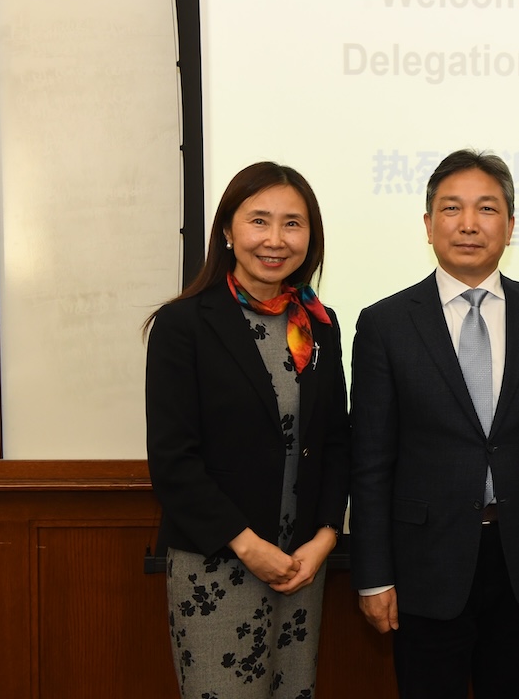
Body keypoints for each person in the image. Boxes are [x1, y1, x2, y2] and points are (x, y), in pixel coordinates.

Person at [349, 149, 519, 699]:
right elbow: (371, 461)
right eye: (451, 208)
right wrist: (374, 574)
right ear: (428, 224)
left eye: (486, 208)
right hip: (424, 563)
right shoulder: (386, 324)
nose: (468, 224)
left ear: (510, 225)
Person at [145, 162, 350, 698]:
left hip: (300, 567)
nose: (276, 240)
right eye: (259, 221)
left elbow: (335, 444)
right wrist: (248, 545)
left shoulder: (318, 327)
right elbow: (173, 461)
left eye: (293, 224)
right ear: (227, 232)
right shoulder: (183, 325)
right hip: (217, 561)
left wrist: (325, 540)